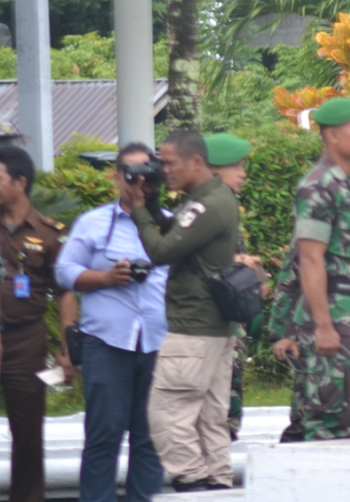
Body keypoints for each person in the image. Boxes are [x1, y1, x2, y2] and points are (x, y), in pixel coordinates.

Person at [267, 97, 350, 441]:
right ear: (333, 136)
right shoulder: (318, 186)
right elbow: (309, 260)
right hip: (332, 317)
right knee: (327, 422)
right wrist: (323, 326)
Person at [123, 130, 241, 492]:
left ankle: (192, 482)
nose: (164, 169)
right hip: (213, 331)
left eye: (170, 163)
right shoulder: (205, 199)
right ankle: (218, 485)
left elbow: (161, 251)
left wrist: (138, 208)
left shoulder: (207, 206)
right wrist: (153, 198)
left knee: (166, 413)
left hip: (193, 329)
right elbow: (176, 234)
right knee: (209, 418)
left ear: (196, 162)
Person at [56, 143, 169, 502]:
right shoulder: (94, 223)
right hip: (108, 343)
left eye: (146, 173)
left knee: (150, 438)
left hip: (157, 342)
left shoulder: (169, 222)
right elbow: (63, 271)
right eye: (130, 173)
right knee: (104, 435)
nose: (139, 181)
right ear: (116, 176)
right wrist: (105, 278)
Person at [0, 146, 77, 502]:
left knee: (28, 432)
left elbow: (66, 293)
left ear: (20, 182)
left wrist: (66, 350)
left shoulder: (49, 233)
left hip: (26, 340)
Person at [204, 133, 266, 442]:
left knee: (227, 406)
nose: (243, 173)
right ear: (214, 170)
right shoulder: (205, 210)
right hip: (207, 326)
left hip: (229, 325)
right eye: (236, 166)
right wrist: (237, 261)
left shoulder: (226, 209)